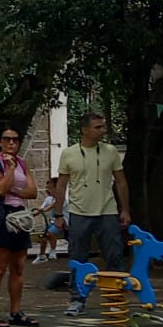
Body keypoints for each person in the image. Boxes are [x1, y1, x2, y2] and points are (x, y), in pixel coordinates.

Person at [53, 112, 130, 315]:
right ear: (85, 130)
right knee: (78, 258)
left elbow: (121, 181)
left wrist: (125, 209)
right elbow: (61, 185)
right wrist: (58, 214)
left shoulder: (111, 151)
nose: (103, 130)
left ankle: (114, 298)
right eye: (98, 127)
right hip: (79, 212)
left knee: (114, 256)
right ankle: (77, 300)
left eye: (103, 126)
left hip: (107, 211)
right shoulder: (69, 153)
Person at [0, 126, 38, 327]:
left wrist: (14, 189)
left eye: (15, 139)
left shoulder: (22, 162)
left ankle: (16, 311)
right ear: (0, 142)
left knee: (18, 267)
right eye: (7, 139)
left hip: (20, 215)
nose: (11, 142)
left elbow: (32, 192)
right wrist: (10, 169)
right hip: (1, 215)